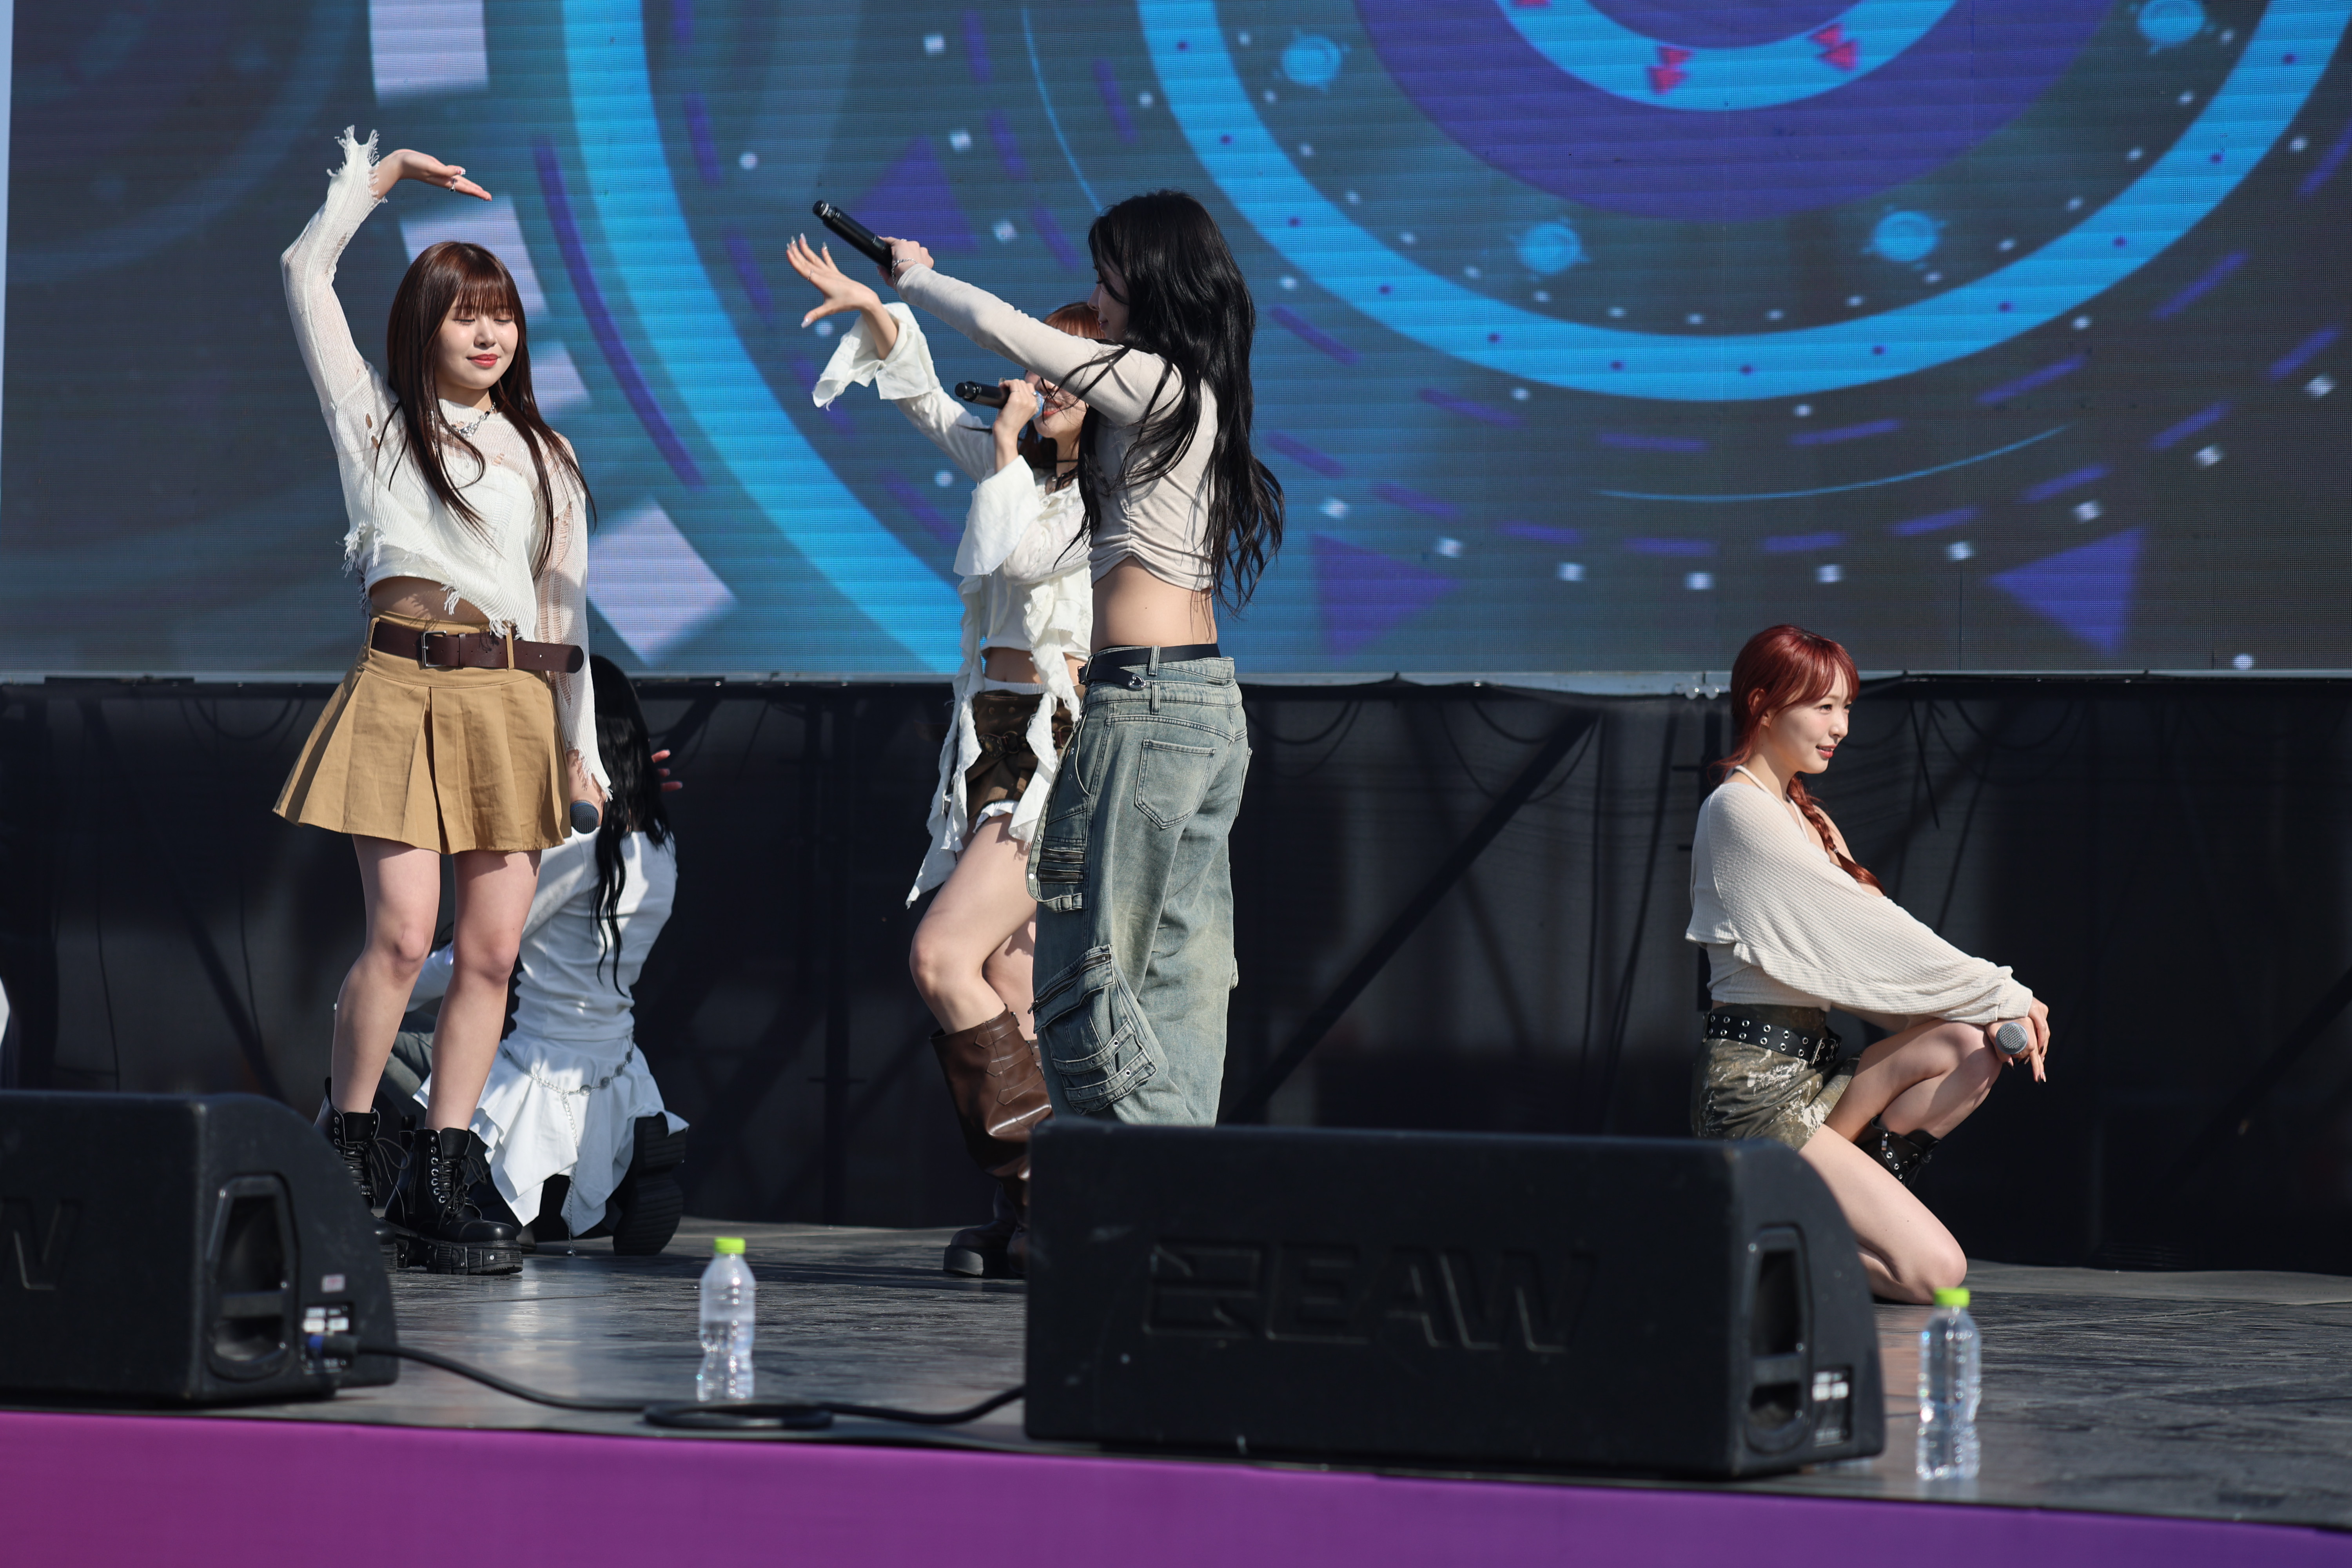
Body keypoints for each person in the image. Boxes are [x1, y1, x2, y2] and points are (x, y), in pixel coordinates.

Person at [880, 191, 1285, 1127]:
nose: (1097, 300)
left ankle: (1118, 1171)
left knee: (1089, 967)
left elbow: (1010, 327)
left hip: (1149, 701)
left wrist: (918, 278)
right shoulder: (1168, 406)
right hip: (1186, 701)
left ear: (1150, 284)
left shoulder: (1161, 383)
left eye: (1107, 281)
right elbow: (984, 448)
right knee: (1173, 970)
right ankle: (1171, 1174)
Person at [277, 129, 606, 1274]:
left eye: (501, 314)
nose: (487, 332)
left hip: (512, 702)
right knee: (403, 934)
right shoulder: (376, 423)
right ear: (424, 329)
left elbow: (566, 619)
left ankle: (444, 1171)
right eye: (464, 314)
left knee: (493, 954)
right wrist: (376, 183)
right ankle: (349, 1152)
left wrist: (580, 747)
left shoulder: (549, 456)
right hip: (403, 685)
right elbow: (303, 274)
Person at [785, 234, 1096, 1275]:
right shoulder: (1023, 468)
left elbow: (1012, 551)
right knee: (1007, 974)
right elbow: (923, 403)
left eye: (1069, 370)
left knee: (942, 958)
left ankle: (1050, 1191)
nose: (1047, 383)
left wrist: (1007, 443)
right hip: (990, 736)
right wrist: (881, 311)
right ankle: (1028, 1206)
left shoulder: (1103, 501)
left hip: (1053, 741)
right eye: (1042, 365)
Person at [1686, 625, 2054, 1304]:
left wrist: (1986, 1011)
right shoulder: (1737, 809)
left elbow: (1870, 979)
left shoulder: (1811, 819)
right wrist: (1999, 991)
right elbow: (1868, 934)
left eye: (1847, 708)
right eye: (1823, 707)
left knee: (1971, 1047)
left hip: (1818, 1079)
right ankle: (1743, 1237)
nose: (1841, 727)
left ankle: (1807, 1207)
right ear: (1762, 704)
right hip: (1755, 1095)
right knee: (1935, 1271)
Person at [387, 657, 688, 1255]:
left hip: (538, 1071)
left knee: (381, 1040)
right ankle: (611, 1177)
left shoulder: (575, 839)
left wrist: (388, 991)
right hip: (618, 1061)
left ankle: (506, 1197)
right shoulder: (658, 840)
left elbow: (479, 955)